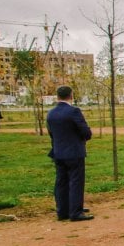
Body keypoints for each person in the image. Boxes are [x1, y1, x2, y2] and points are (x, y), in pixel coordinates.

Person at [46, 85, 93, 221]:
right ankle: (75, 212)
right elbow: (85, 132)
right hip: (74, 152)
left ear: (57, 96)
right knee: (76, 181)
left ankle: (62, 211)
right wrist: (85, 136)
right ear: (71, 95)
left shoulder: (51, 113)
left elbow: (51, 133)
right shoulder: (74, 111)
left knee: (61, 182)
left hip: (58, 152)